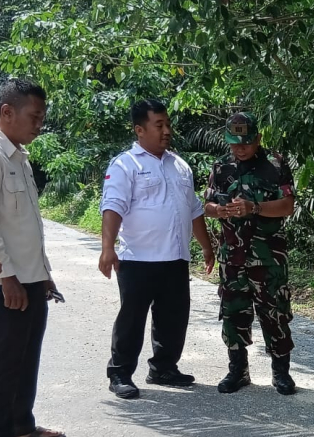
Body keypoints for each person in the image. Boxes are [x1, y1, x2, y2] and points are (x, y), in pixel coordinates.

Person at [0, 79, 64, 437]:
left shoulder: (18, 156)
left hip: (30, 278)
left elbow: (27, 224)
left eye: (42, 117)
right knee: (3, 361)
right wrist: (6, 278)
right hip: (6, 282)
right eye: (34, 116)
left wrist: (44, 272)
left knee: (25, 357)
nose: (39, 124)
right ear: (7, 112)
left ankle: (22, 424)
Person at [98, 99, 215, 399]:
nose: (166, 131)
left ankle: (163, 368)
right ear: (140, 130)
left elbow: (194, 209)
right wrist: (107, 248)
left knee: (174, 317)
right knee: (132, 318)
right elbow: (113, 206)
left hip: (175, 257)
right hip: (138, 259)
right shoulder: (126, 165)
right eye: (158, 125)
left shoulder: (180, 165)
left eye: (168, 124)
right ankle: (120, 373)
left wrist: (206, 246)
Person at [204, 112, 297, 395]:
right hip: (232, 256)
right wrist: (218, 211)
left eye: (245, 142)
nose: (239, 148)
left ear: (257, 138)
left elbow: (288, 205)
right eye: (234, 143)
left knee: (274, 313)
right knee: (233, 312)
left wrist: (254, 208)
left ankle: (281, 373)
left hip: (268, 256)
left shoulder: (276, 164)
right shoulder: (221, 167)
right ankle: (238, 371)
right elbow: (206, 205)